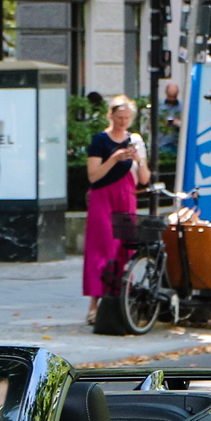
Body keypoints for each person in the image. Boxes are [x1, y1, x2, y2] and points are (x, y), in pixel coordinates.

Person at [82, 95, 151, 326]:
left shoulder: (135, 140)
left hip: (126, 197)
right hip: (103, 197)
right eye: (119, 118)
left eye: (127, 118)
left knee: (124, 250)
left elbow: (144, 180)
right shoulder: (100, 141)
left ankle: (120, 301)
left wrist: (140, 160)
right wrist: (114, 159)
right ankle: (95, 303)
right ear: (110, 116)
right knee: (102, 248)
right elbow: (93, 176)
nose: (123, 122)